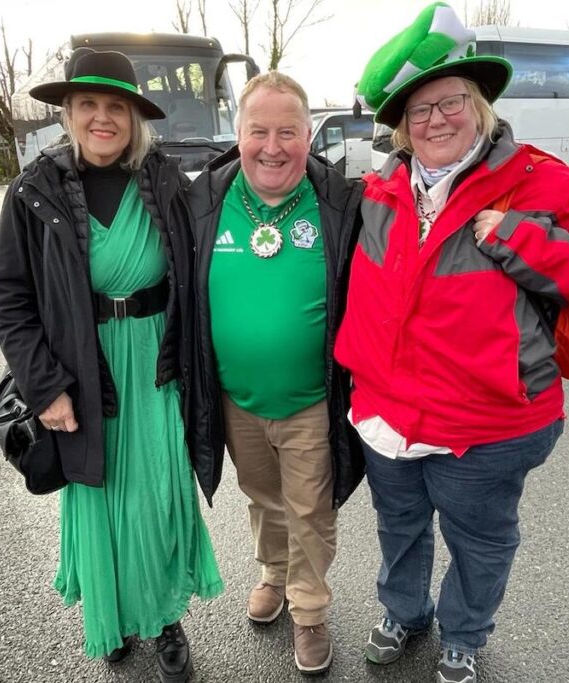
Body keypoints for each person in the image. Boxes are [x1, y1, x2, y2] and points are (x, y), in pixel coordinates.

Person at [335, 4, 569, 683]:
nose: (436, 120)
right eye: (419, 111)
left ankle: (464, 634)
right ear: (402, 129)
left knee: (479, 540)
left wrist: (516, 236)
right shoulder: (382, 186)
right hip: (386, 414)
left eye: (451, 103)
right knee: (399, 527)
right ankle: (404, 611)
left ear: (479, 106)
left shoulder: (539, 180)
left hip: (489, 421)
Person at [0, 48, 222, 683]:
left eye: (115, 106)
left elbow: (204, 270)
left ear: (134, 118)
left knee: (159, 494)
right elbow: (9, 297)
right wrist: (45, 388)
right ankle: (114, 614)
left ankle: (165, 616)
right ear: (67, 113)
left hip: (155, 360)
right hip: (81, 368)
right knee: (101, 494)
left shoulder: (169, 182)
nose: (101, 117)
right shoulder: (33, 190)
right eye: (87, 104)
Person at [186, 71, 364, 675]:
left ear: (308, 135)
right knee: (262, 497)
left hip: (312, 397)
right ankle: (273, 572)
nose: (272, 146)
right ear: (236, 134)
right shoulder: (201, 203)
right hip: (235, 396)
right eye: (258, 130)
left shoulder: (342, 204)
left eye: (287, 131)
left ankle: (309, 610)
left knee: (309, 505)